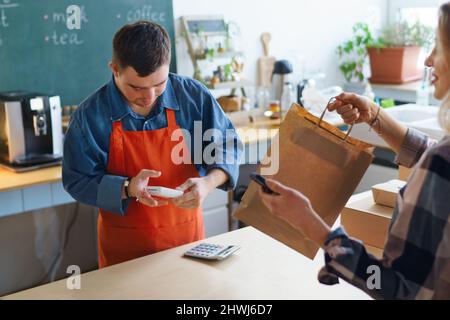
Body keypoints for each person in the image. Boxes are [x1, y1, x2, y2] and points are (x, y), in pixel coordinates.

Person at [259, 3, 450, 299]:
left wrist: (314, 227)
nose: (427, 60)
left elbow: (394, 289)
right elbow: (433, 156)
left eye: (437, 48)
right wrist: (374, 115)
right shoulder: (440, 160)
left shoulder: (440, 163)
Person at [63, 21, 243, 268]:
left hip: (188, 248)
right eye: (136, 87)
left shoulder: (192, 97)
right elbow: (76, 179)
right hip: (123, 257)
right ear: (114, 69)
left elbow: (228, 146)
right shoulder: (90, 116)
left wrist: (208, 183)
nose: (148, 97)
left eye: (159, 85)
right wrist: (126, 187)